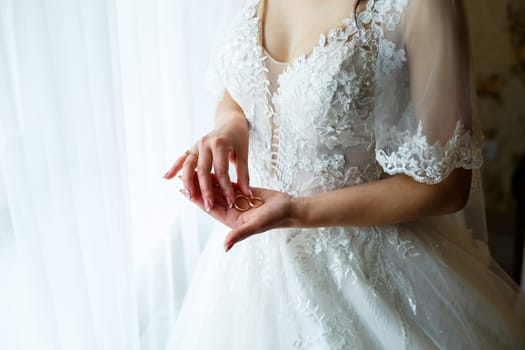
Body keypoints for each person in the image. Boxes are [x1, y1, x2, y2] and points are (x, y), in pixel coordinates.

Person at [164, 0, 525, 348]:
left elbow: (447, 186)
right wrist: (230, 127)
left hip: (365, 272)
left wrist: (297, 211)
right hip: (247, 264)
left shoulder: (421, 5)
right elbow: (237, 89)